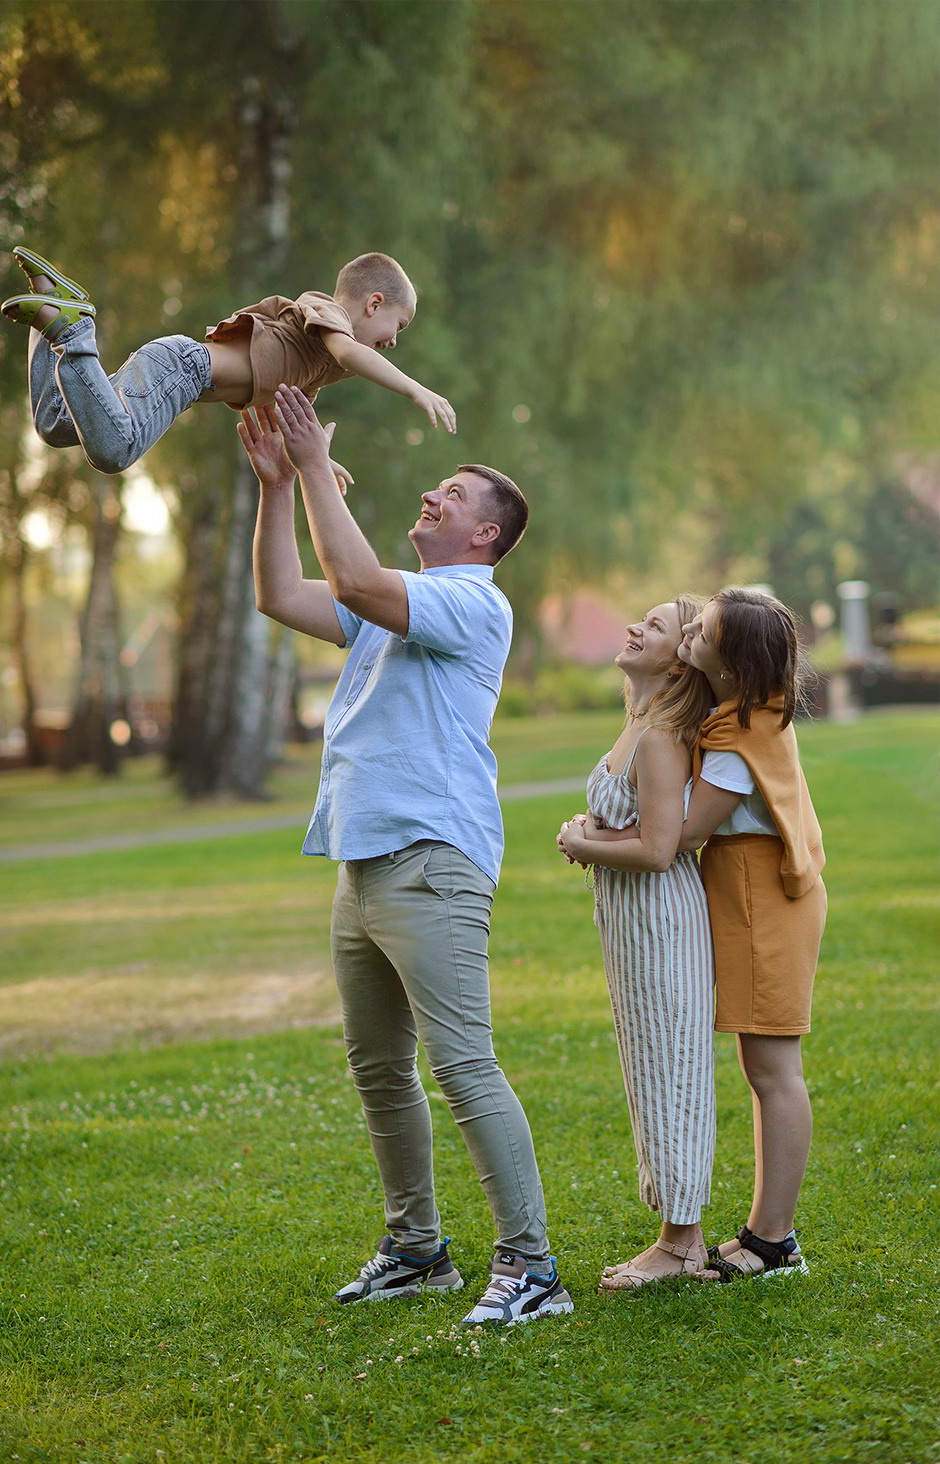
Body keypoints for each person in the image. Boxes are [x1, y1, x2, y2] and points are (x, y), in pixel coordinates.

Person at [240, 383, 572, 1326]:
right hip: (366, 857)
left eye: (454, 494)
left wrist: (312, 466)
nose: (434, 495)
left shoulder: (471, 605)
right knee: (380, 1068)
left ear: (486, 536)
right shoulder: (403, 604)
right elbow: (279, 592)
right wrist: (277, 486)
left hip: (432, 858)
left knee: (463, 1066)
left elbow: (352, 578)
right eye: (439, 485)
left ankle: (533, 1270)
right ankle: (418, 1249)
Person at [557, 597, 719, 1290]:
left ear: (679, 658)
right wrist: (590, 831)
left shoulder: (660, 738)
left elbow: (658, 851)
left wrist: (581, 842)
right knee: (650, 1066)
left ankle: (681, 1244)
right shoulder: (638, 724)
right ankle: (680, 1233)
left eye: (653, 627)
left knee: (670, 1067)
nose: (634, 629)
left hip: (659, 917)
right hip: (631, 923)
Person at [0, 246, 456, 476]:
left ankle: (50, 312)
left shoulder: (319, 363)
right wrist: (416, 389)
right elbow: (351, 352)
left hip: (176, 375)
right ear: (373, 304)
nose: (395, 342)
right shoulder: (330, 315)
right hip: (181, 368)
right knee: (114, 449)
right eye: (401, 326)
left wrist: (317, 460)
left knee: (57, 424)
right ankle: (73, 329)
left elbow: (292, 415)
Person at [677, 587, 827, 1280]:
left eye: (702, 629)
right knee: (762, 1067)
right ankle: (770, 1234)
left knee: (773, 1069)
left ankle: (773, 1241)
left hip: (762, 895)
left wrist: (597, 837)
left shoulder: (739, 741)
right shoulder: (742, 715)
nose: (689, 630)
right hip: (751, 890)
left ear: (730, 664)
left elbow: (685, 833)